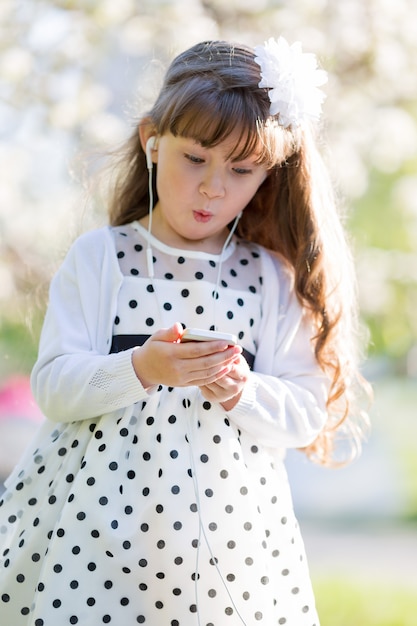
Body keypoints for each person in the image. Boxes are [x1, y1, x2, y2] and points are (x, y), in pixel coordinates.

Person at [0, 37, 370, 625]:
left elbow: (304, 411)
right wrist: (140, 369)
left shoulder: (266, 276)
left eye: (241, 170)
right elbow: (53, 386)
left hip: (229, 540)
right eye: (195, 158)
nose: (213, 188)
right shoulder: (104, 258)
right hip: (99, 533)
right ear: (153, 142)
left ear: (268, 173)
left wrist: (240, 389)